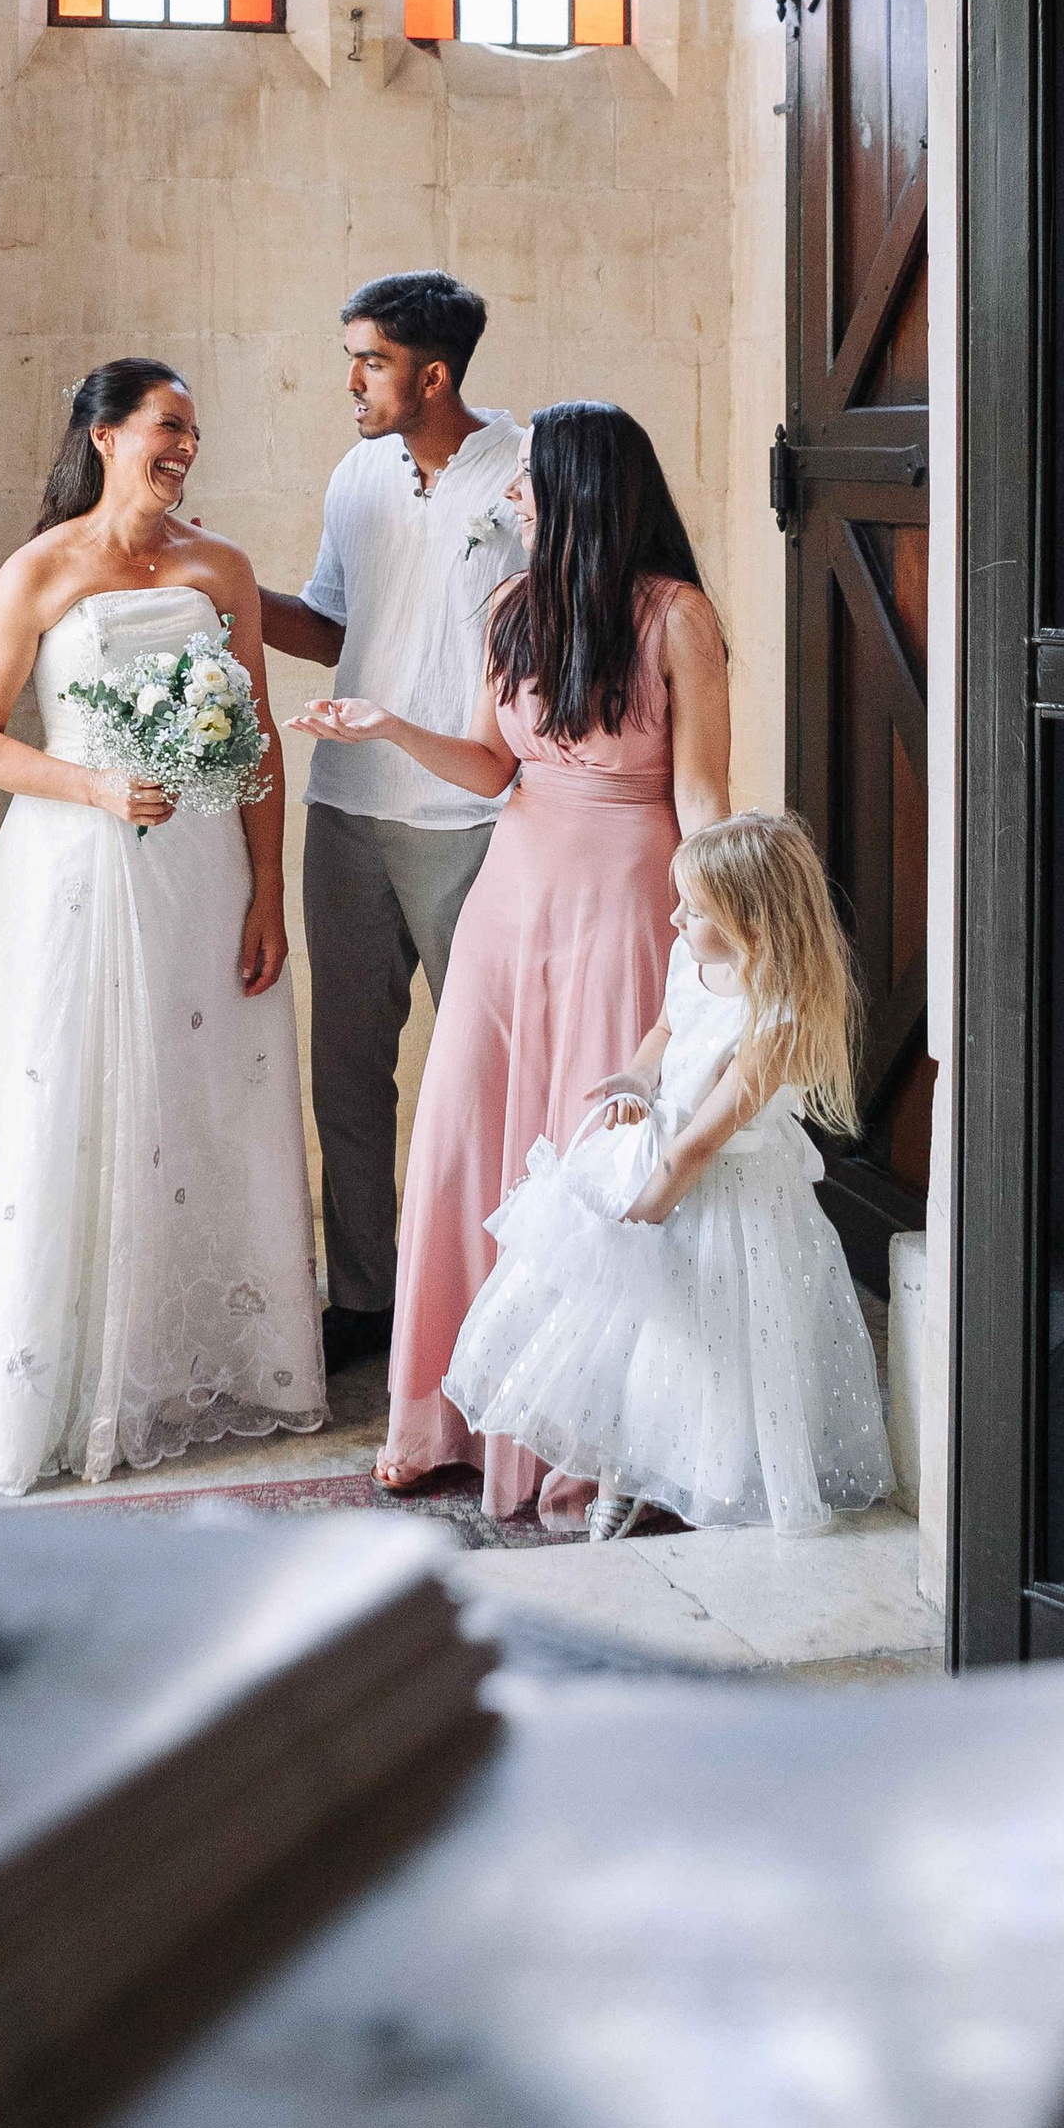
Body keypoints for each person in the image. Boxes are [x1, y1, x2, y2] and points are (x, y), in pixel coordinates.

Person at [293, 397, 731, 1520]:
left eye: (531, 476)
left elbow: (701, 796)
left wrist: (713, 925)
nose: (511, 493)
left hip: (628, 898)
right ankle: (449, 1419)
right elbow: (495, 769)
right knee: (464, 1148)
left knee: (591, 1158)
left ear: (585, 489)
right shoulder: (508, 609)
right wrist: (389, 726)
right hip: (510, 900)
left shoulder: (678, 617)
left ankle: (583, 1439)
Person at [0, 361, 325, 1495]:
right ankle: (59, 1378)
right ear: (103, 436)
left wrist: (266, 889)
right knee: (77, 1097)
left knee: (197, 1099)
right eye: (167, 426)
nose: (185, 446)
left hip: (199, 872)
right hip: (75, 866)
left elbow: (253, 743)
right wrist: (95, 787)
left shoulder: (221, 569)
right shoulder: (40, 567)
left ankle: (200, 1359)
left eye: (195, 430)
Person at [445, 811, 893, 1542]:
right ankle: (624, 1474)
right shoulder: (695, 956)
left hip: (727, 1195)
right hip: (659, 1156)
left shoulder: (774, 1017)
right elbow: (666, 1029)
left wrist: (629, 1225)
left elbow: (699, 1147)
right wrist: (638, 1075)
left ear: (751, 920)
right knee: (638, 1335)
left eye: (695, 907)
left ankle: (708, 1475)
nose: (675, 915)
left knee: (715, 1348)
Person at [257, 272, 523, 1379]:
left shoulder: (526, 469)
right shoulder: (358, 472)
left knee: (489, 1074)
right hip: (346, 810)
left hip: (473, 816)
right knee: (349, 1070)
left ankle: (502, 1302)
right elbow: (328, 628)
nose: (350, 381)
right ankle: (365, 1301)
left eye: (368, 360)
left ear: (433, 372)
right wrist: (215, 581)